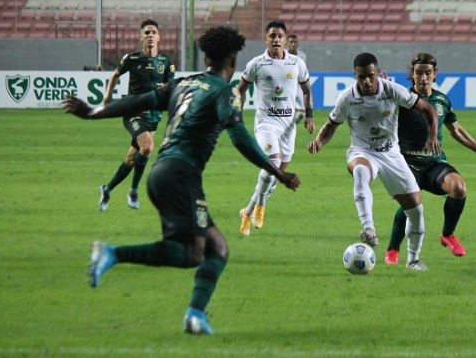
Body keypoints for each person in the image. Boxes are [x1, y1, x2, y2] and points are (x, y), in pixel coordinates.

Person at [62, 26, 300, 335]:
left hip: (161, 173)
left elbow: (137, 102)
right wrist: (278, 172)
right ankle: (112, 253)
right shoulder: (224, 92)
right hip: (181, 176)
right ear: (232, 61)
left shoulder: (183, 84)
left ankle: (195, 315)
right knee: (191, 253)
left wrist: (94, 111)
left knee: (217, 248)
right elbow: (240, 137)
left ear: (204, 56)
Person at [308, 52, 441, 271]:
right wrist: (319, 141)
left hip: (391, 154)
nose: (367, 81)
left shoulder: (391, 90)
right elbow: (332, 125)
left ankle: (413, 260)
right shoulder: (347, 98)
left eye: (371, 76)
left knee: (416, 210)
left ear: (378, 73)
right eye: (361, 77)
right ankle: (368, 229)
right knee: (360, 171)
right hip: (362, 151)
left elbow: (428, 109)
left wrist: (432, 135)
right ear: (355, 75)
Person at [384, 53, 476, 264]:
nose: (423, 78)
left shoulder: (442, 100)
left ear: (435, 74)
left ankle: (447, 235)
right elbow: (380, 113)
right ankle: (393, 250)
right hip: (407, 163)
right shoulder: (401, 97)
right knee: (412, 203)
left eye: (427, 73)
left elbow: (456, 130)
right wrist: (382, 92)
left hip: (434, 163)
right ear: (411, 75)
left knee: (459, 188)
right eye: (418, 73)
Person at [237, 21, 314, 236]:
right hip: (266, 123)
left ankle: (248, 211)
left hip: (288, 126)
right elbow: (240, 90)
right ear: (266, 39)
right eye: (272, 36)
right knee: (274, 162)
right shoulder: (257, 64)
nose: (276, 40)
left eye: (279, 36)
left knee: (276, 176)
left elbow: (307, 90)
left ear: (285, 38)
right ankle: (261, 206)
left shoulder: (296, 63)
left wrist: (308, 116)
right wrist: (237, 116)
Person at [98, 19, 175, 211]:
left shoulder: (166, 62)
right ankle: (133, 191)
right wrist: (107, 97)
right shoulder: (131, 59)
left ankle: (107, 189)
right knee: (148, 147)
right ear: (141, 37)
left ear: (159, 37)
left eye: (153, 32)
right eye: (147, 33)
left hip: (153, 116)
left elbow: (172, 87)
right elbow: (115, 74)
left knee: (132, 159)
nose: (150, 36)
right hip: (133, 111)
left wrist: (166, 88)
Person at [286, 33, 308, 124]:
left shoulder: (302, 56)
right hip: (285, 87)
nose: (293, 44)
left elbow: (301, 71)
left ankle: (288, 127)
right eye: (291, 42)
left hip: (297, 86)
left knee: (300, 114)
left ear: (298, 44)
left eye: (295, 42)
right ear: (287, 43)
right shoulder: (282, 54)